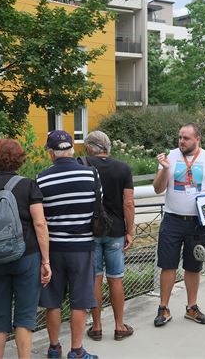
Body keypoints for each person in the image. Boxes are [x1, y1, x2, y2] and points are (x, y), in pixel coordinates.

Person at [0, 139, 51, 359]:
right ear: (20, 160)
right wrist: (46, 261)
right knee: (24, 316)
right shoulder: (28, 185)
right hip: (26, 256)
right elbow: (40, 223)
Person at [152, 123, 205, 327]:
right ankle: (163, 308)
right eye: (179, 137)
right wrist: (164, 170)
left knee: (193, 266)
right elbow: (158, 189)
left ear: (197, 139)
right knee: (167, 265)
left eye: (186, 138)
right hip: (172, 220)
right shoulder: (170, 156)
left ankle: (191, 307)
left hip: (198, 222)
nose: (181, 141)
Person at [37, 130, 99, 359]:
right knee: (79, 301)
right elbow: (96, 207)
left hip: (53, 248)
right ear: (72, 150)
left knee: (52, 302)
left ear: (51, 154)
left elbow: (39, 216)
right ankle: (76, 351)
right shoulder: (91, 175)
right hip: (82, 247)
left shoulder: (41, 179)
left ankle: (54, 348)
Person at [83, 131, 135, 341]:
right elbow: (128, 203)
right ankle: (119, 326)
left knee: (95, 278)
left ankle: (96, 327)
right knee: (116, 278)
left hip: (90, 230)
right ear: (108, 147)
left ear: (89, 147)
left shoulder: (83, 166)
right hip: (115, 232)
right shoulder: (123, 168)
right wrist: (129, 231)